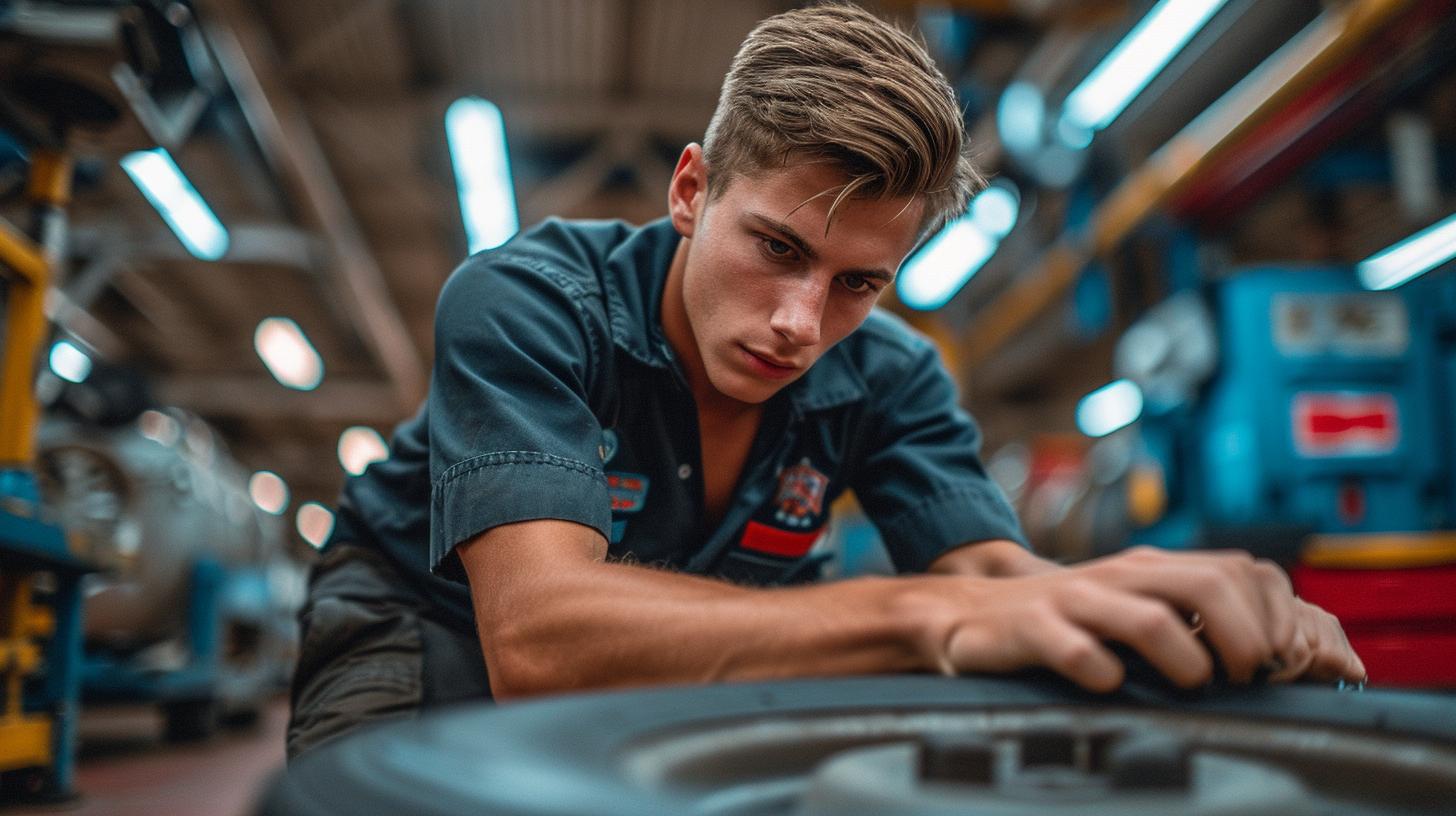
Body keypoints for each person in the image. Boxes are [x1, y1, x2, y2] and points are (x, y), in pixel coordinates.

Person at [286, 2, 1364, 758]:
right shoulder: (525, 301)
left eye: (859, 283)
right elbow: (542, 640)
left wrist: (1151, 605)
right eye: (776, 249)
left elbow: (991, 581)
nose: (801, 324)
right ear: (691, 189)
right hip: (421, 625)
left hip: (698, 651)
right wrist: (919, 620)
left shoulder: (891, 376)